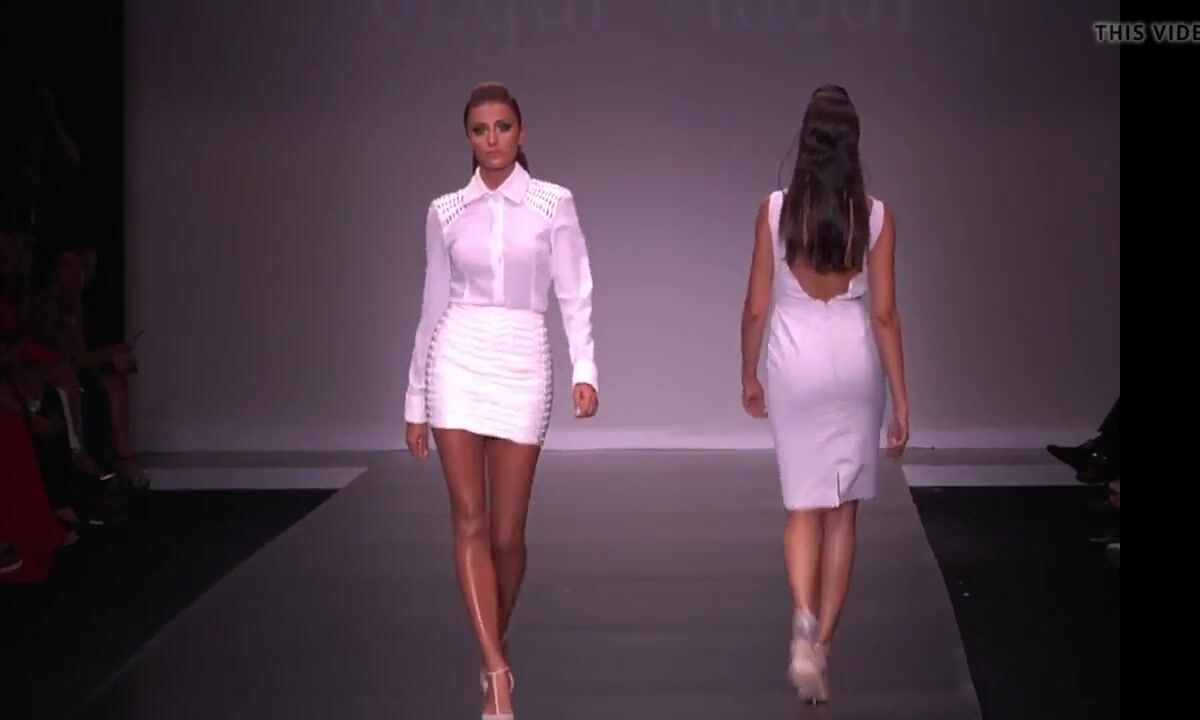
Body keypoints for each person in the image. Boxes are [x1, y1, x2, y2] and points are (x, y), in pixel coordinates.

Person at [403, 82, 599, 720]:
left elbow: (575, 291)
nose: (492, 139)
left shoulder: (552, 203)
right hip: (457, 357)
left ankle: (496, 640)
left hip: (522, 357)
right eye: (480, 129)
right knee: (469, 518)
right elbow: (433, 302)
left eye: (503, 127)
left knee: (508, 534)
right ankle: (495, 669)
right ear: (468, 138)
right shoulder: (445, 211)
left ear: (522, 132)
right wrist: (414, 397)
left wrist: (585, 366)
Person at [740, 85, 909, 704]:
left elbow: (756, 307)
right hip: (853, 357)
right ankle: (823, 648)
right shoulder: (876, 217)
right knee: (844, 511)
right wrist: (902, 399)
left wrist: (748, 374)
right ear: (854, 143)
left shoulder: (776, 211)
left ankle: (804, 621)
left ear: (805, 141)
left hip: (795, 356)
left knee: (802, 506)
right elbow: (884, 315)